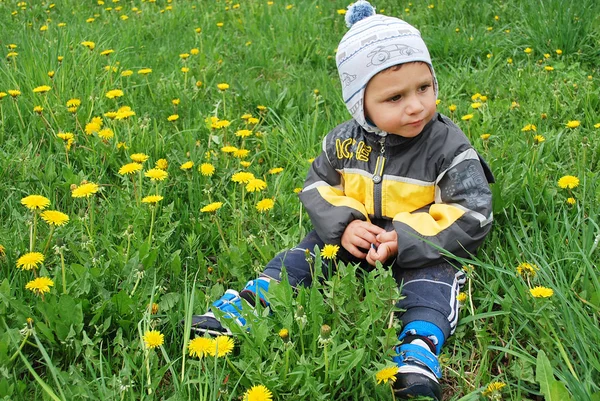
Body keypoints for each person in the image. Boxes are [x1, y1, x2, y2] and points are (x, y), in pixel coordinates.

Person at [189, 1, 494, 399]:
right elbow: (317, 186)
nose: (416, 105)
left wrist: (405, 238)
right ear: (359, 104)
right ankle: (250, 302)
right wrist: (344, 224)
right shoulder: (342, 141)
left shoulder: (448, 147)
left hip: (420, 244)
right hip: (356, 236)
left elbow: (473, 211)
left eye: (424, 87)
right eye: (395, 98)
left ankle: (417, 353)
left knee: (433, 281)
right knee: (306, 254)